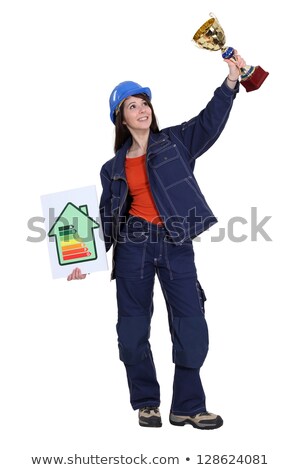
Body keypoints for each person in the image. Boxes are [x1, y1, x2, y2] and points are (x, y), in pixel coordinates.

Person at [68, 52, 246, 429]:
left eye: (145, 102)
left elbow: (209, 122)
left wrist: (231, 83)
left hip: (175, 241)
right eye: (132, 106)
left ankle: (188, 405)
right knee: (132, 330)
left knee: (191, 323)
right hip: (133, 245)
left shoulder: (176, 142)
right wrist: (80, 261)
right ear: (122, 117)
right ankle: (147, 402)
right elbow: (103, 218)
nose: (142, 110)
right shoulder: (112, 169)